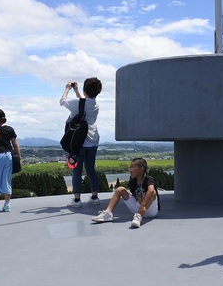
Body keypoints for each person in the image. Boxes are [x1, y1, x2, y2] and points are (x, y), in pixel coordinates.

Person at [61, 77, 102, 208]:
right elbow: (82, 104)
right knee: (91, 170)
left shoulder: (77, 103)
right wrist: (77, 91)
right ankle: (94, 196)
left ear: (85, 90)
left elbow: (62, 101)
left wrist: (67, 89)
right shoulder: (96, 105)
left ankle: (77, 200)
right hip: (93, 141)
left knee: (77, 171)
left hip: (78, 142)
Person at [91, 157, 159, 228]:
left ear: (141, 169)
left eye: (133, 168)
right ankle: (108, 213)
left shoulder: (149, 179)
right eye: (130, 168)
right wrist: (139, 200)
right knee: (120, 189)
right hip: (137, 207)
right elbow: (135, 197)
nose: (130, 170)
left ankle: (139, 216)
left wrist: (143, 205)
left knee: (153, 192)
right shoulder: (132, 182)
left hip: (150, 211)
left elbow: (151, 190)